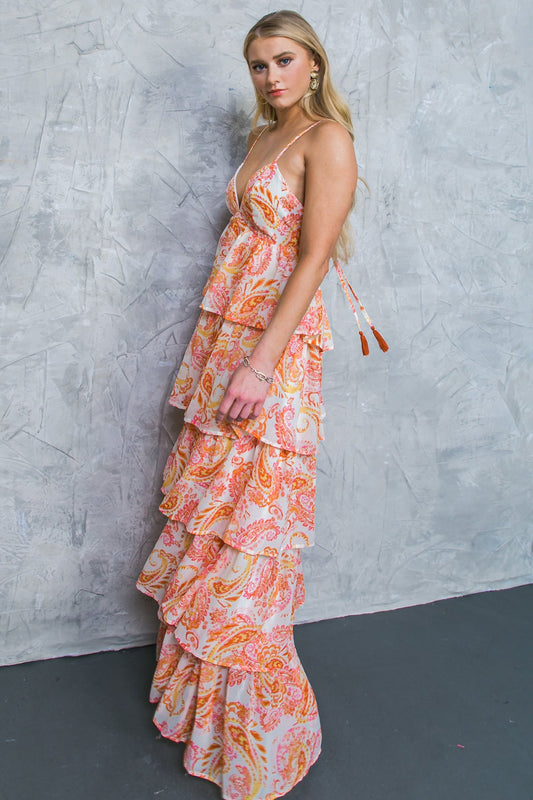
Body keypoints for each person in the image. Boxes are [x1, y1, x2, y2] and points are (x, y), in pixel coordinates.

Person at [137, 10, 387, 800]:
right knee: (211, 519)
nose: (270, 76)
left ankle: (260, 741)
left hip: (268, 351)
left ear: (312, 63)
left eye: (282, 60)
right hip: (226, 342)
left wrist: (261, 363)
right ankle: (201, 715)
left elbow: (312, 257)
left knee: (252, 526)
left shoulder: (325, 139)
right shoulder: (260, 139)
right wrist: (226, 357)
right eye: (256, 65)